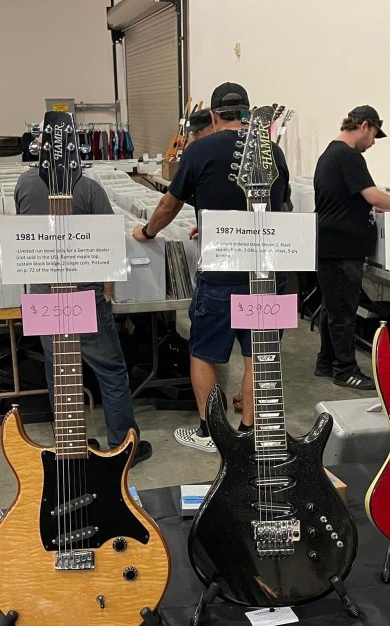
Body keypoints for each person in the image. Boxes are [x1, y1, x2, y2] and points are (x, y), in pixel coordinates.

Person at [133, 82, 290, 452]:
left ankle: (209, 433)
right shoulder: (273, 150)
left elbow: (169, 205)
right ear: (248, 112)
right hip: (268, 271)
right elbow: (275, 207)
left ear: (215, 116)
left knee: (203, 352)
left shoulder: (200, 150)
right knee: (258, 355)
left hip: (222, 274)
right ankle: (249, 433)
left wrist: (148, 231)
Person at [14, 160, 152, 465]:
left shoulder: (24, 184)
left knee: (59, 372)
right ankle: (122, 445)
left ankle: (71, 444)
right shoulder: (89, 189)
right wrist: (107, 288)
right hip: (83, 294)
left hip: (42, 295)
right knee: (111, 371)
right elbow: (110, 244)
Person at [313, 105, 390, 390]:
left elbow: (349, 199)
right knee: (344, 312)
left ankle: (326, 362)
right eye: (374, 135)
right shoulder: (349, 156)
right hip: (341, 249)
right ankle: (345, 370)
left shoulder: (330, 153)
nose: (373, 143)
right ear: (364, 126)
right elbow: (374, 197)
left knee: (332, 308)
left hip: (330, 245)